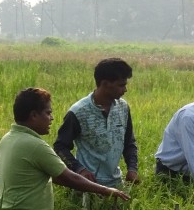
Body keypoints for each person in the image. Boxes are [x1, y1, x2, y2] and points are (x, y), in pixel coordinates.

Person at [0, 87, 130, 210]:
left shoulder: (9, 138)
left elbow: (58, 177)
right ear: (33, 115)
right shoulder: (36, 146)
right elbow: (69, 177)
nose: (51, 118)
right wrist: (107, 190)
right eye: (48, 113)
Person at [53, 57, 138, 188]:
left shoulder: (123, 108)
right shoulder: (78, 112)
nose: (125, 90)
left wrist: (132, 169)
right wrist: (79, 169)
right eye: (121, 85)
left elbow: (129, 142)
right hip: (87, 186)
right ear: (105, 84)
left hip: (116, 184)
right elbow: (60, 147)